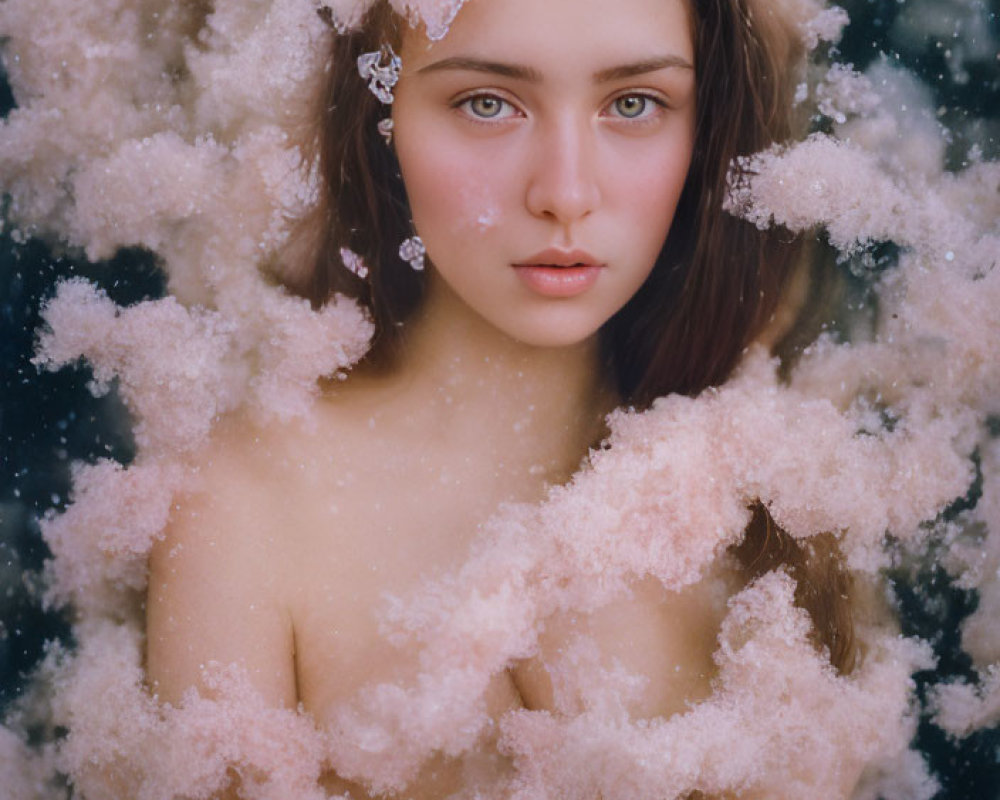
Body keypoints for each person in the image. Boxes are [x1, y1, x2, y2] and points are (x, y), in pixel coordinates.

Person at [146, 0, 855, 796]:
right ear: (381, 118)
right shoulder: (252, 506)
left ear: (708, 132)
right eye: (487, 103)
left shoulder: (785, 495)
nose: (565, 192)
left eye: (633, 104)